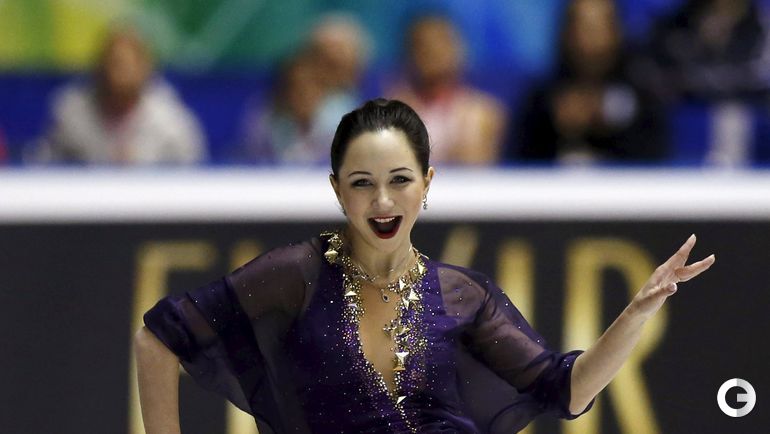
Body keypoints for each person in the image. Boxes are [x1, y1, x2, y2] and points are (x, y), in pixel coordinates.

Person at [134, 99, 715, 433]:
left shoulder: (462, 296)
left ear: (427, 182)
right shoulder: (298, 275)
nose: (382, 202)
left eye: (399, 180)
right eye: (362, 184)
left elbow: (567, 389)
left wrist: (639, 310)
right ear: (337, 190)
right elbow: (157, 340)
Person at [511, 0, 667, 165]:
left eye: (600, 27)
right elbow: (521, 165)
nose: (592, 38)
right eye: (583, 27)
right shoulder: (543, 98)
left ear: (618, 31)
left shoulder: (643, 93)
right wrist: (557, 126)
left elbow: (657, 163)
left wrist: (608, 122)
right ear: (566, 32)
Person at [31, 25, 207, 165]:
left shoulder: (171, 121)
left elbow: (195, 179)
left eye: (129, 64)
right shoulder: (71, 114)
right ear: (100, 66)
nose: (120, 74)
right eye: (115, 63)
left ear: (146, 68)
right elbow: (43, 169)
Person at [387, 15, 506, 166]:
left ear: (458, 49)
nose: (433, 51)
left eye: (441, 42)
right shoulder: (390, 114)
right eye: (423, 45)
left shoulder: (484, 112)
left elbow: (477, 168)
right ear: (409, 52)